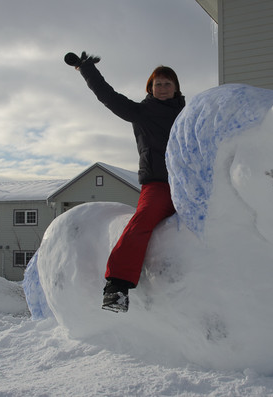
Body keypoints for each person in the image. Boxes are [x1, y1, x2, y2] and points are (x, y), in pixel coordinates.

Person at [64, 51, 185, 313]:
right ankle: (116, 287)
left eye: (167, 83)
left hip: (190, 184)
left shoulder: (189, 114)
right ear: (150, 88)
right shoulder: (140, 112)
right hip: (159, 185)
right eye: (158, 84)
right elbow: (108, 97)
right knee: (143, 220)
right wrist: (87, 70)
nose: (163, 88)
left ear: (176, 88)